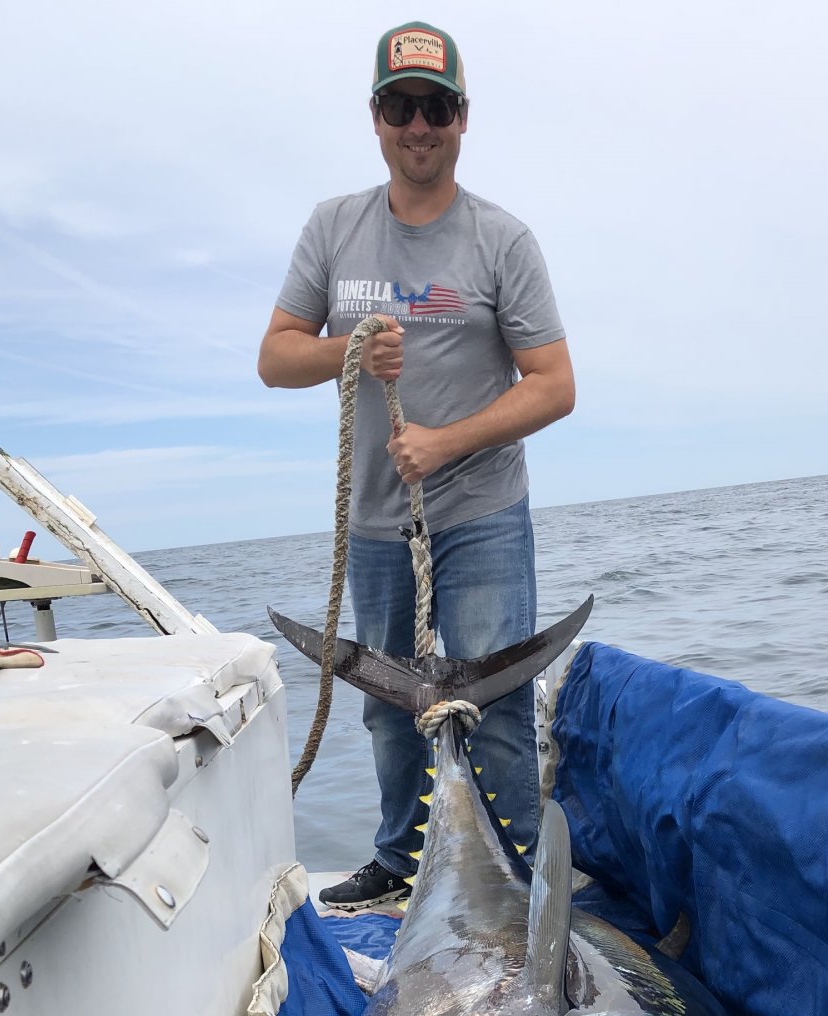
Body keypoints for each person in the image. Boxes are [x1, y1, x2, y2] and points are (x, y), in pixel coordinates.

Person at [257, 20, 575, 911]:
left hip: (481, 512)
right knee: (389, 710)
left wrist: (445, 442)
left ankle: (512, 878)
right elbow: (276, 357)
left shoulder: (503, 241)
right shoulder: (333, 228)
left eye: (436, 107)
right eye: (400, 106)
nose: (419, 126)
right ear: (375, 117)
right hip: (375, 521)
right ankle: (401, 862)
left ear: (463, 117)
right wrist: (348, 349)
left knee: (495, 707)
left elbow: (554, 385)